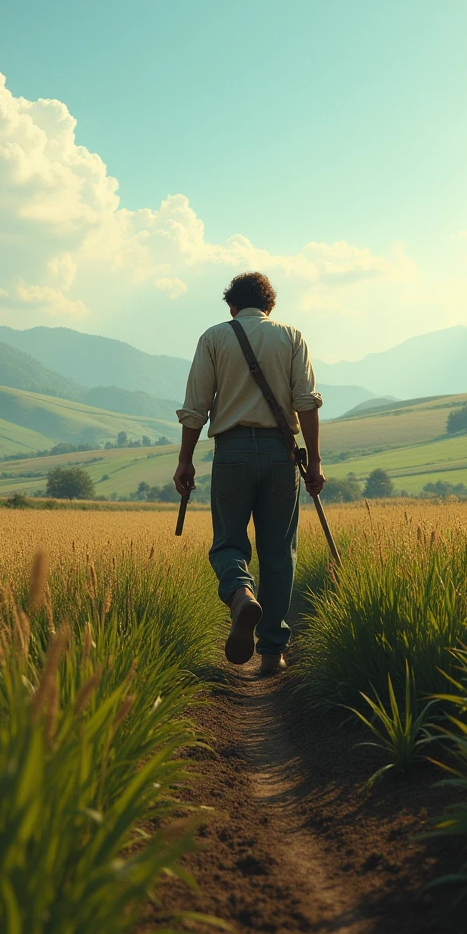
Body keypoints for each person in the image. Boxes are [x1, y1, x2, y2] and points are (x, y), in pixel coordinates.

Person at [174, 271, 326, 674]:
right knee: (279, 553)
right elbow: (306, 403)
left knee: (227, 545)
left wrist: (185, 459)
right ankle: (272, 653)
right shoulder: (292, 337)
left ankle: (241, 594)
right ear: (270, 306)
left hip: (232, 453)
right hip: (280, 456)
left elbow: (196, 407)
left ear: (232, 306)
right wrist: (314, 461)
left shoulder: (213, 338)